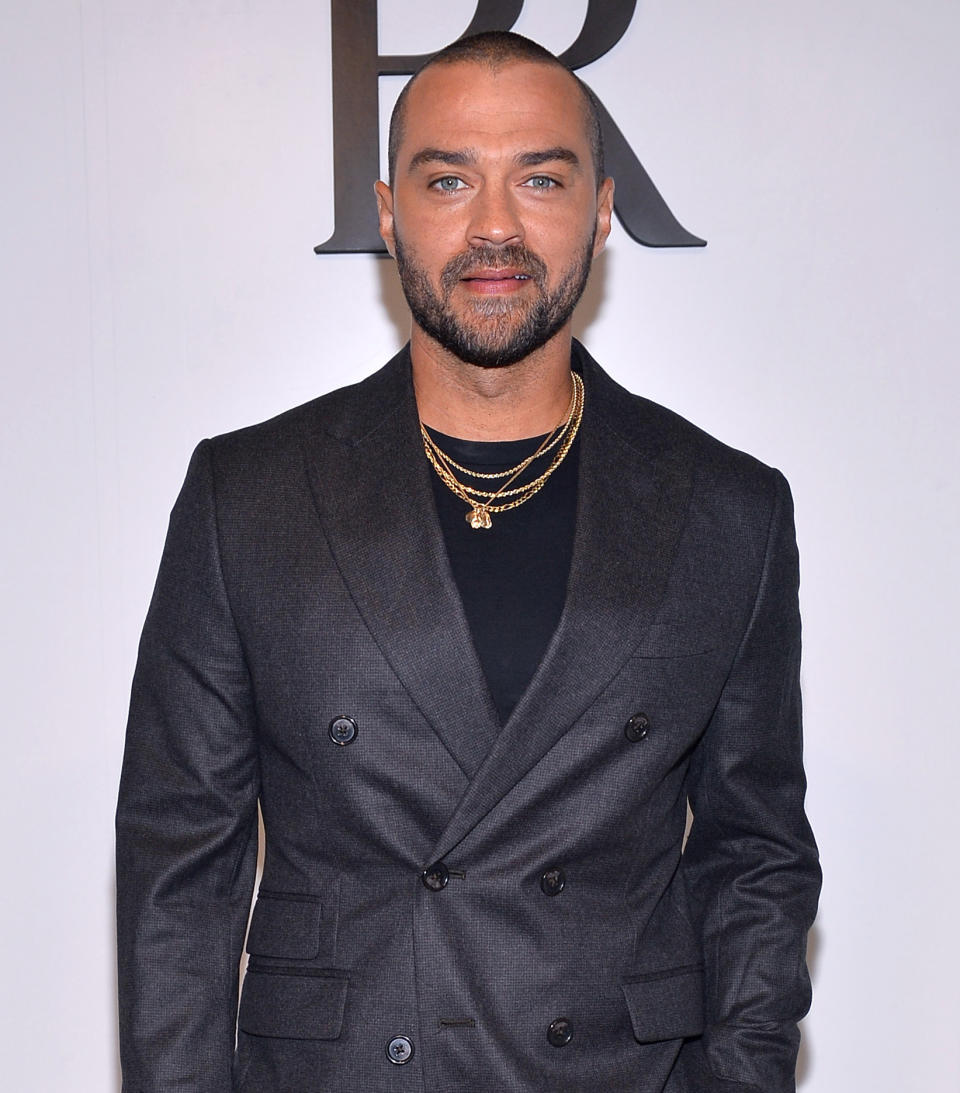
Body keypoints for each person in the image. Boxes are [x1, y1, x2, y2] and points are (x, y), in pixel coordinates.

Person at [116, 31, 820, 1093]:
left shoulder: (728, 510)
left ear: (600, 208)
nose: (495, 226)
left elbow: (756, 857)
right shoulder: (247, 495)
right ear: (389, 211)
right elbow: (181, 864)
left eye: (539, 177)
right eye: (450, 179)